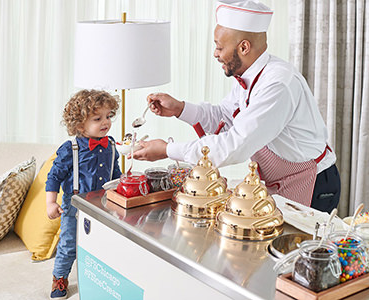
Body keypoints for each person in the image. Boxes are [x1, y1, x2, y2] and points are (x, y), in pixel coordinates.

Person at [132, 0, 340, 213]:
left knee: (294, 246)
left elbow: (235, 145)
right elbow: (225, 116)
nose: (215, 53)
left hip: (313, 182)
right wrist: (180, 109)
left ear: (244, 47)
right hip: (279, 180)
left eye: (219, 47)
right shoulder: (249, 75)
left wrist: (167, 150)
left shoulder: (279, 84)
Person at [45, 89, 122, 299]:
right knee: (69, 244)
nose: (105, 122)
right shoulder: (71, 148)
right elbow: (54, 177)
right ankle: (59, 278)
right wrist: (51, 202)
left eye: (108, 116)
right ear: (80, 125)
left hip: (103, 206)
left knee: (101, 244)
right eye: (97, 118)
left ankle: (99, 279)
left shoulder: (111, 144)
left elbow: (115, 173)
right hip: (75, 206)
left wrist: (122, 187)